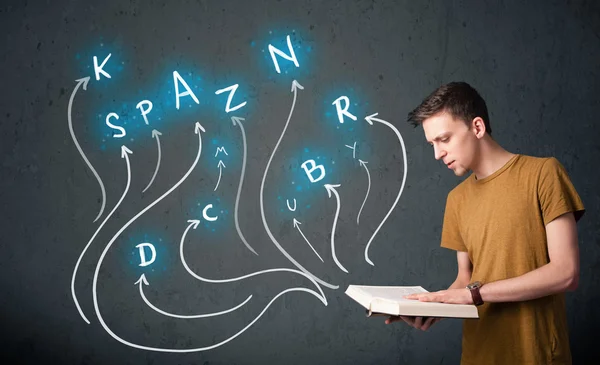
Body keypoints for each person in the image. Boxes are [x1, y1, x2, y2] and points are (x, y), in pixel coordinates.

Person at [385, 82, 585, 364]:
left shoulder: (543, 174)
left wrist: (475, 294)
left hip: (538, 354)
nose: (437, 154)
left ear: (477, 127)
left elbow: (566, 273)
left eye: (444, 139)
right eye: (432, 144)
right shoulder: (456, 200)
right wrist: (431, 305)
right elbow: (465, 281)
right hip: (479, 354)